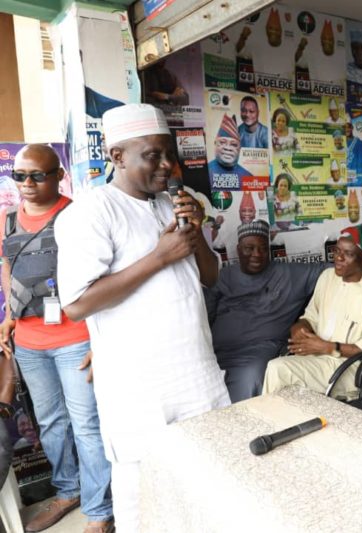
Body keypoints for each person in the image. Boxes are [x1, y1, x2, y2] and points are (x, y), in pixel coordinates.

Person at [54, 104, 230, 531]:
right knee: (144, 498)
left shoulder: (174, 203)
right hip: (140, 387)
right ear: (117, 156)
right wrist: (158, 257)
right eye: (153, 155)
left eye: (169, 153)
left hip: (196, 372)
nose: (168, 166)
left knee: (207, 482)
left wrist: (197, 233)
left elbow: (208, 277)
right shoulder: (91, 212)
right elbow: (76, 303)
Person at [0, 145, 113, 533]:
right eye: (20, 176)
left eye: (37, 175)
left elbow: (101, 279)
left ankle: (99, 512)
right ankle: (68, 492)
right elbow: (7, 266)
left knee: (86, 425)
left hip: (76, 339)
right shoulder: (7, 220)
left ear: (59, 175)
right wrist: (10, 316)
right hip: (31, 343)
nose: (27, 184)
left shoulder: (76, 215)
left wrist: (101, 339)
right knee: (51, 424)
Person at [263, 224, 362, 400]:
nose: (338, 257)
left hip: (354, 367)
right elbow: (311, 317)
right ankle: (287, 422)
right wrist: (300, 327)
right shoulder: (327, 277)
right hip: (319, 356)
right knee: (278, 370)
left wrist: (327, 347)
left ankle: (275, 423)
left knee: (279, 369)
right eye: (337, 250)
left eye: (348, 254)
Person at [206, 221, 326, 402]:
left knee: (249, 380)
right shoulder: (223, 277)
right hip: (214, 354)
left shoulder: (290, 274)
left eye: (263, 248)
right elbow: (204, 316)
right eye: (249, 248)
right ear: (238, 250)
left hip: (256, 355)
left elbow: (333, 272)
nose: (257, 254)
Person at [207, 114, 251, 182]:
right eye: (222, 142)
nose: (228, 148)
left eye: (233, 144)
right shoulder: (205, 173)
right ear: (215, 143)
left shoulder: (248, 177)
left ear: (240, 148)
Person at [345, 122, 362, 186]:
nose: (346, 129)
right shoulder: (339, 146)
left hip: (358, 181)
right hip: (344, 181)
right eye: (344, 127)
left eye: (348, 127)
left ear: (352, 128)